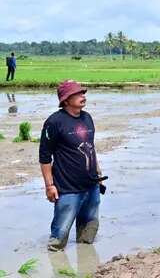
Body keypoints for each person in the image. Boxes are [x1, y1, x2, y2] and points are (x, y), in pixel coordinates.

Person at [39, 80, 105, 251]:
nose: (83, 96)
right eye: (77, 94)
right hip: (67, 189)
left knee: (88, 236)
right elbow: (45, 157)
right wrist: (49, 186)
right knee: (58, 241)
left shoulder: (87, 117)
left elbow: (91, 148)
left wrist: (99, 175)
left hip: (91, 186)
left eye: (83, 93)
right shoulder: (54, 122)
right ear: (66, 100)